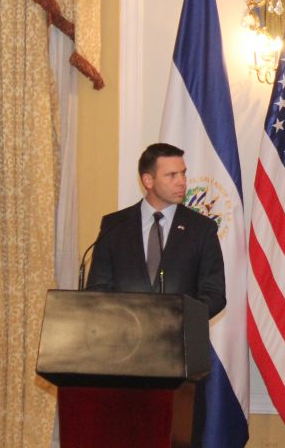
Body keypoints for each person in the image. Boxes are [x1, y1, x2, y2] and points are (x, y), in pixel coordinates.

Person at [86, 143, 226, 446]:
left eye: (183, 173)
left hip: (180, 359)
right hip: (123, 357)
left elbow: (215, 294)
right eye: (172, 175)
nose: (182, 182)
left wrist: (178, 318)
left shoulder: (201, 229)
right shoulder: (114, 226)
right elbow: (97, 290)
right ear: (148, 180)